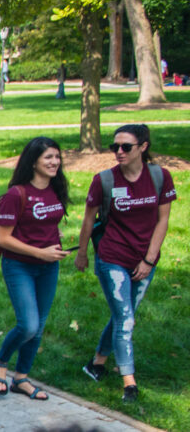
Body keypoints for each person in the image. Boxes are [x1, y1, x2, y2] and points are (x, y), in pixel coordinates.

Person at [75, 124, 175, 403]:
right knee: (126, 318)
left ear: (143, 147)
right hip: (112, 257)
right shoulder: (104, 180)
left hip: (145, 259)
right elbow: (87, 220)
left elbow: (163, 220)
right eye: (114, 146)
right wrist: (82, 253)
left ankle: (97, 362)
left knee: (123, 315)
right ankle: (129, 383)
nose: (118, 152)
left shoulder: (160, 177)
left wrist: (149, 259)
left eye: (126, 147)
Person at [0, 137, 70, 400]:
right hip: (20, 266)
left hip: (48, 266)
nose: (55, 162)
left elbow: (48, 225)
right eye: (48, 157)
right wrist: (40, 252)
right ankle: (0, 361)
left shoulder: (56, 188)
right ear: (33, 161)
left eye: (57, 157)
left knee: (40, 325)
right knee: (28, 325)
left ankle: (21, 378)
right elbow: (2, 239)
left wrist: (55, 250)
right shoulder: (16, 194)